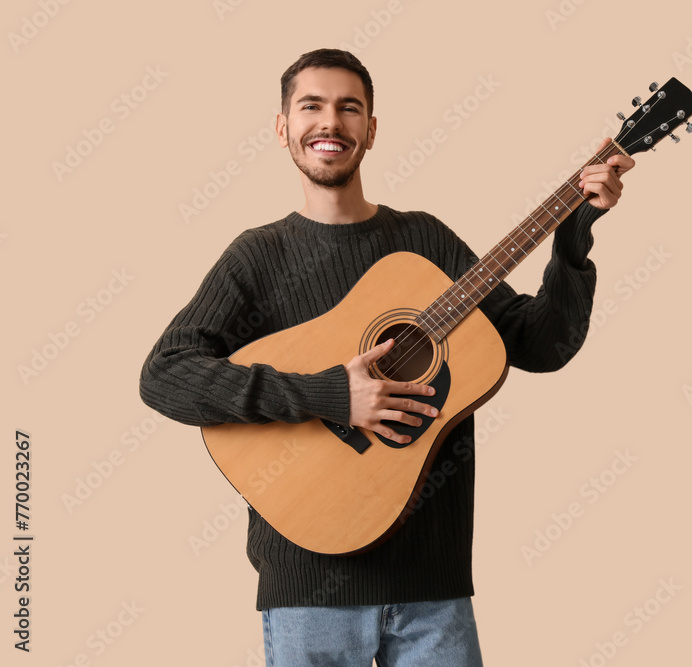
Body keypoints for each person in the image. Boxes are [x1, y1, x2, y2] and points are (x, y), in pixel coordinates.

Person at [139, 48, 633, 666]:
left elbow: (542, 345)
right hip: (307, 589)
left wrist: (574, 238)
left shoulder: (425, 242)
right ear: (282, 127)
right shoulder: (257, 257)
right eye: (311, 106)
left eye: (350, 108)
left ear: (371, 129)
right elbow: (165, 375)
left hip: (434, 591)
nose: (331, 122)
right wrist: (331, 395)